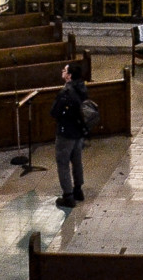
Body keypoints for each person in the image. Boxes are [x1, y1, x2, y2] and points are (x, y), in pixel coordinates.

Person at [50, 63, 88, 209]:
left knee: (63, 163)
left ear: (69, 76)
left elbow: (54, 112)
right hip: (79, 131)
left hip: (66, 133)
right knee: (77, 160)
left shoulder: (66, 93)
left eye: (65, 70)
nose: (62, 71)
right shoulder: (82, 87)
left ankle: (68, 196)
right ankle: (78, 190)